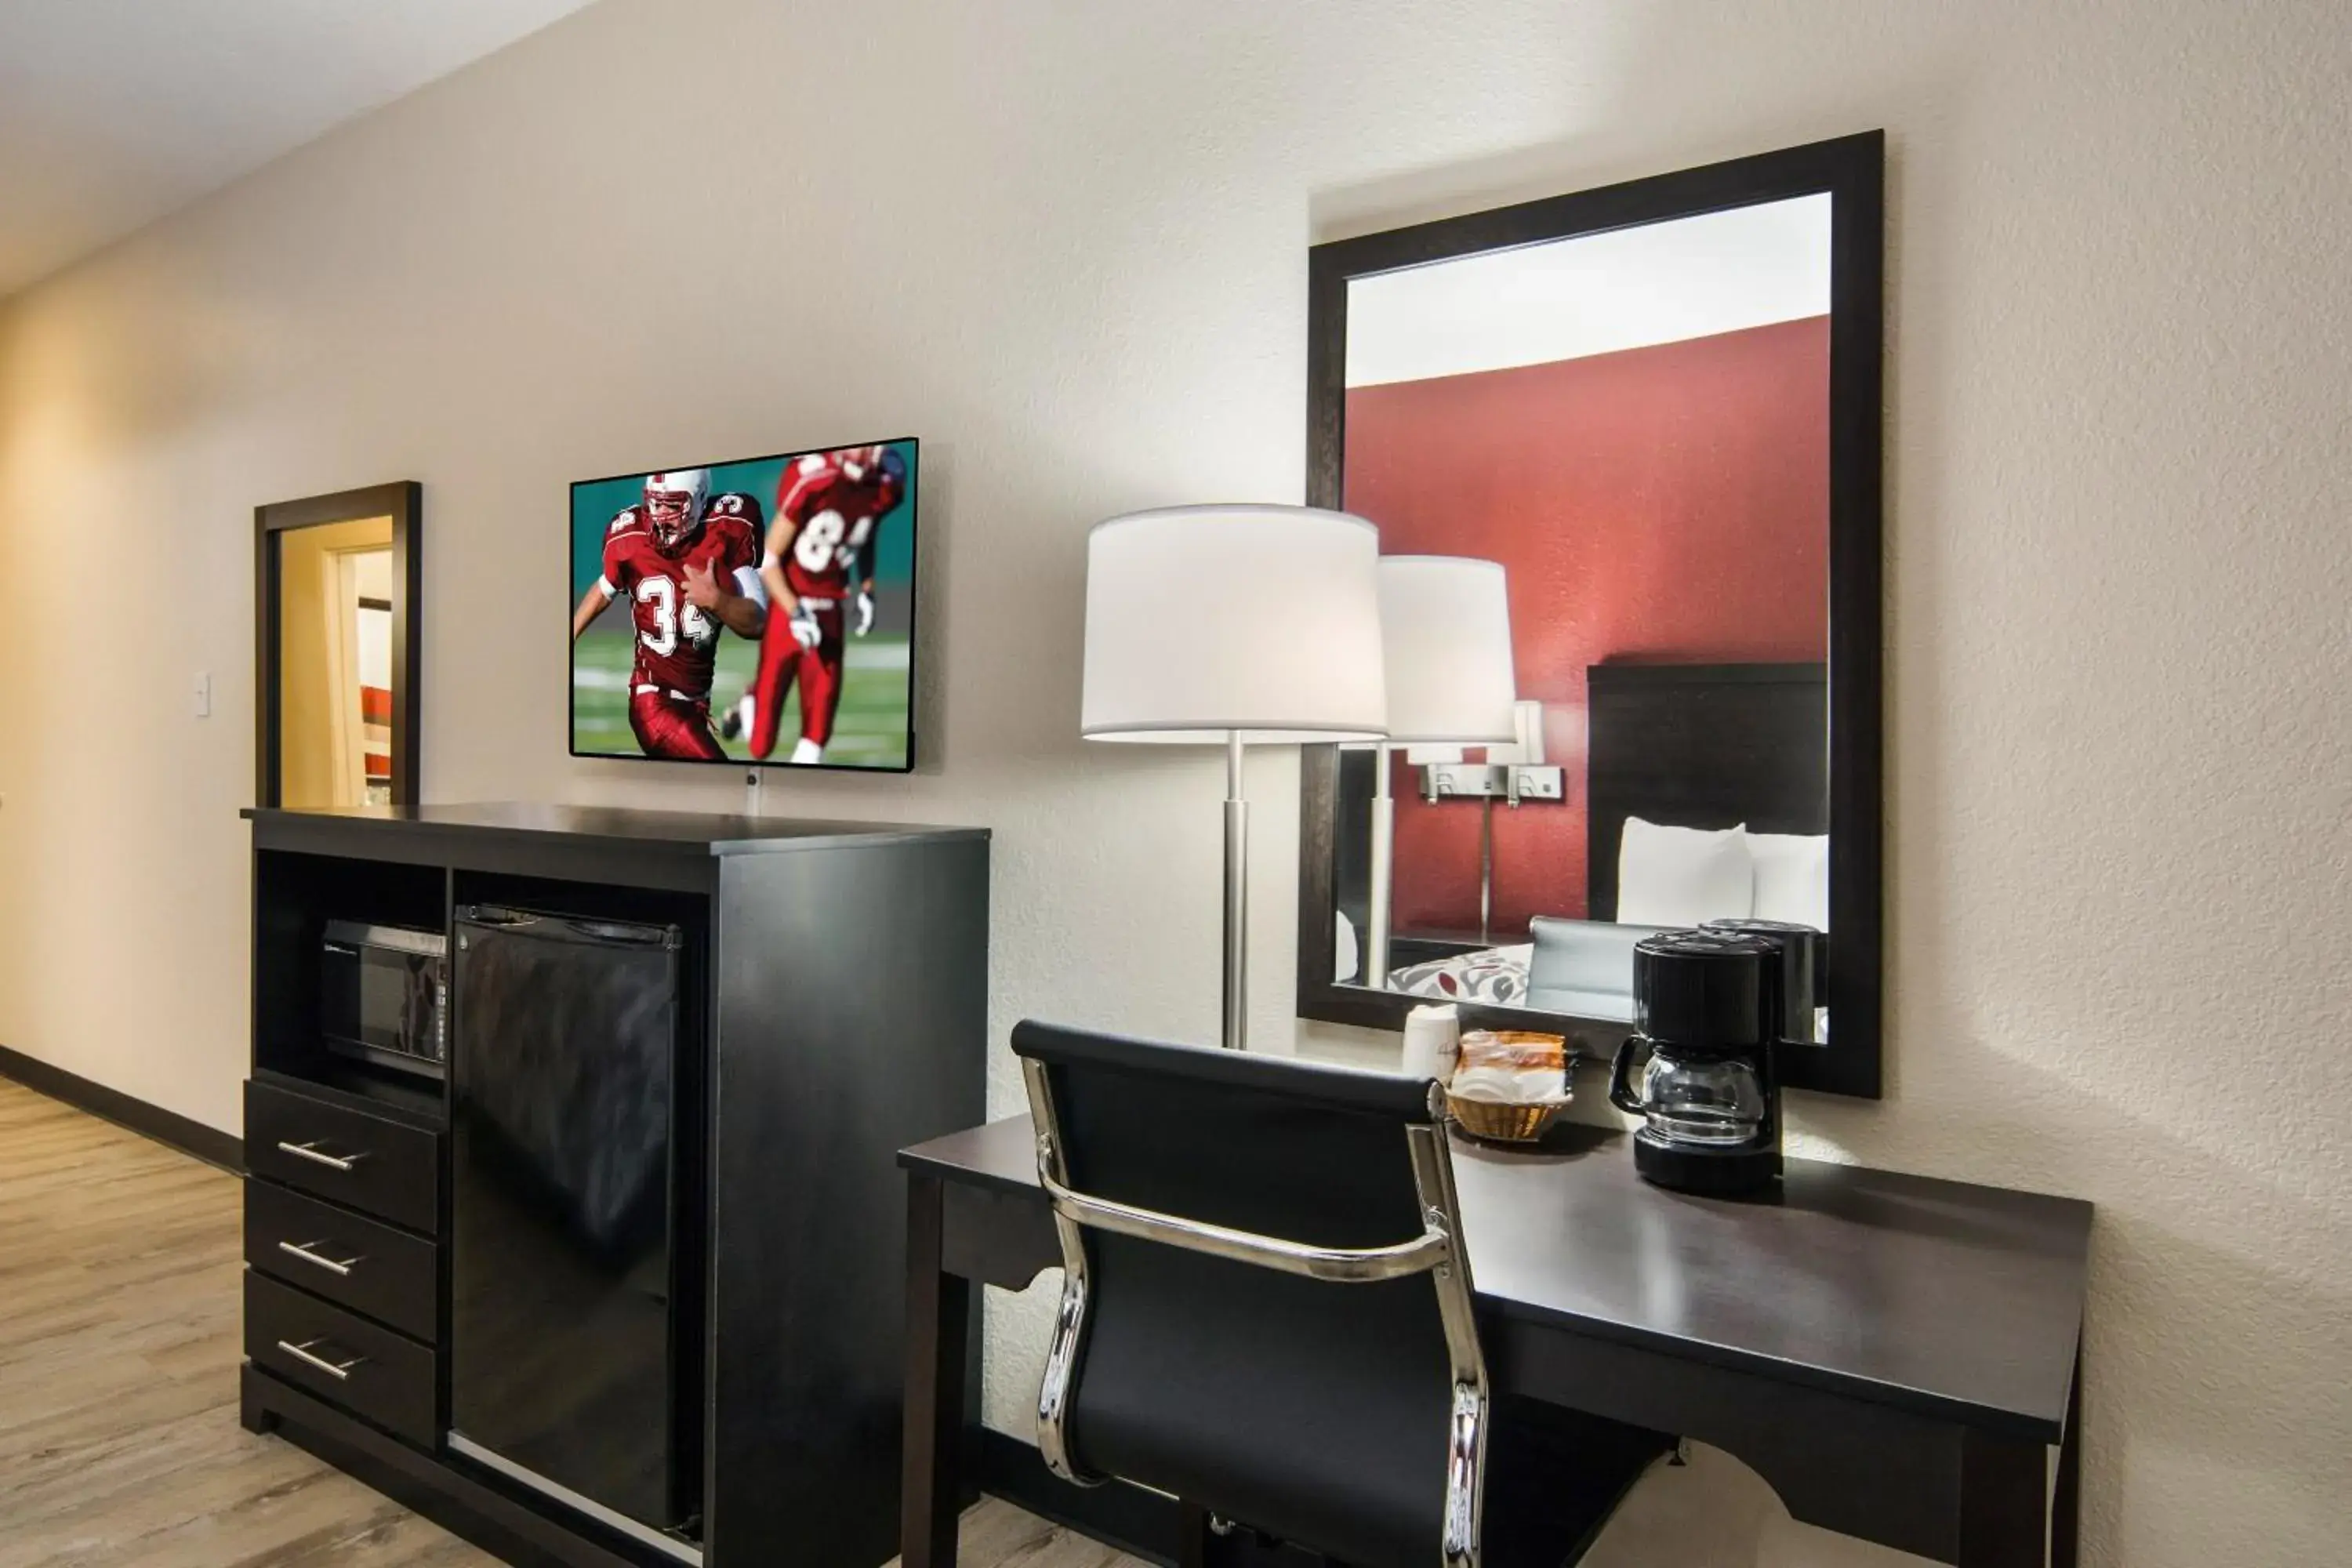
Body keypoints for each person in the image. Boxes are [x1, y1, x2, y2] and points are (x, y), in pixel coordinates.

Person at [570, 469, 766, 760]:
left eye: (672, 506)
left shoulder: (728, 527)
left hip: (696, 705)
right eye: (654, 503)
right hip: (653, 703)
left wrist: (718, 602)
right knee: (722, 782)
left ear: (699, 501)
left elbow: (759, 621)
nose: (659, 515)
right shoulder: (630, 537)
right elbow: (604, 588)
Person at [728, 444, 905, 764]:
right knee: (760, 747)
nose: (863, 454)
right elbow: (768, 560)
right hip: (790, 606)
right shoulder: (813, 479)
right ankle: (751, 701)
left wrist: (867, 587)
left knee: (818, 735)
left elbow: (865, 530)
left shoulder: (884, 482)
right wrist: (795, 611)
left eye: (872, 447)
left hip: (831, 609)